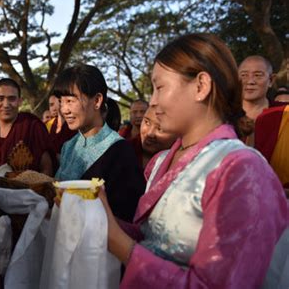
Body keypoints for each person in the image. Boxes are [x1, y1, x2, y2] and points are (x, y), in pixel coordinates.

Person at [99, 33, 288, 288]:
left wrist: (119, 244)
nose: (152, 102)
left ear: (201, 86)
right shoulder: (167, 159)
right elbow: (154, 238)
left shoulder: (241, 169)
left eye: (159, 87)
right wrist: (100, 216)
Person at [54, 64, 145, 222]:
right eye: (61, 102)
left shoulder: (121, 151)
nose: (64, 109)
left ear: (97, 101)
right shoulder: (68, 147)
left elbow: (126, 215)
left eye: (70, 100)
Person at [0, 78, 54, 178]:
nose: (6, 105)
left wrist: (34, 191)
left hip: (27, 191)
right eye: (0, 99)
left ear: (20, 101)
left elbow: (47, 168)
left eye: (12, 99)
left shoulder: (32, 126)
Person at [238, 55, 274, 145]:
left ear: (271, 80)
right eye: (244, 75)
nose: (250, 81)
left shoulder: (284, 114)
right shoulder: (223, 114)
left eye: (258, 75)